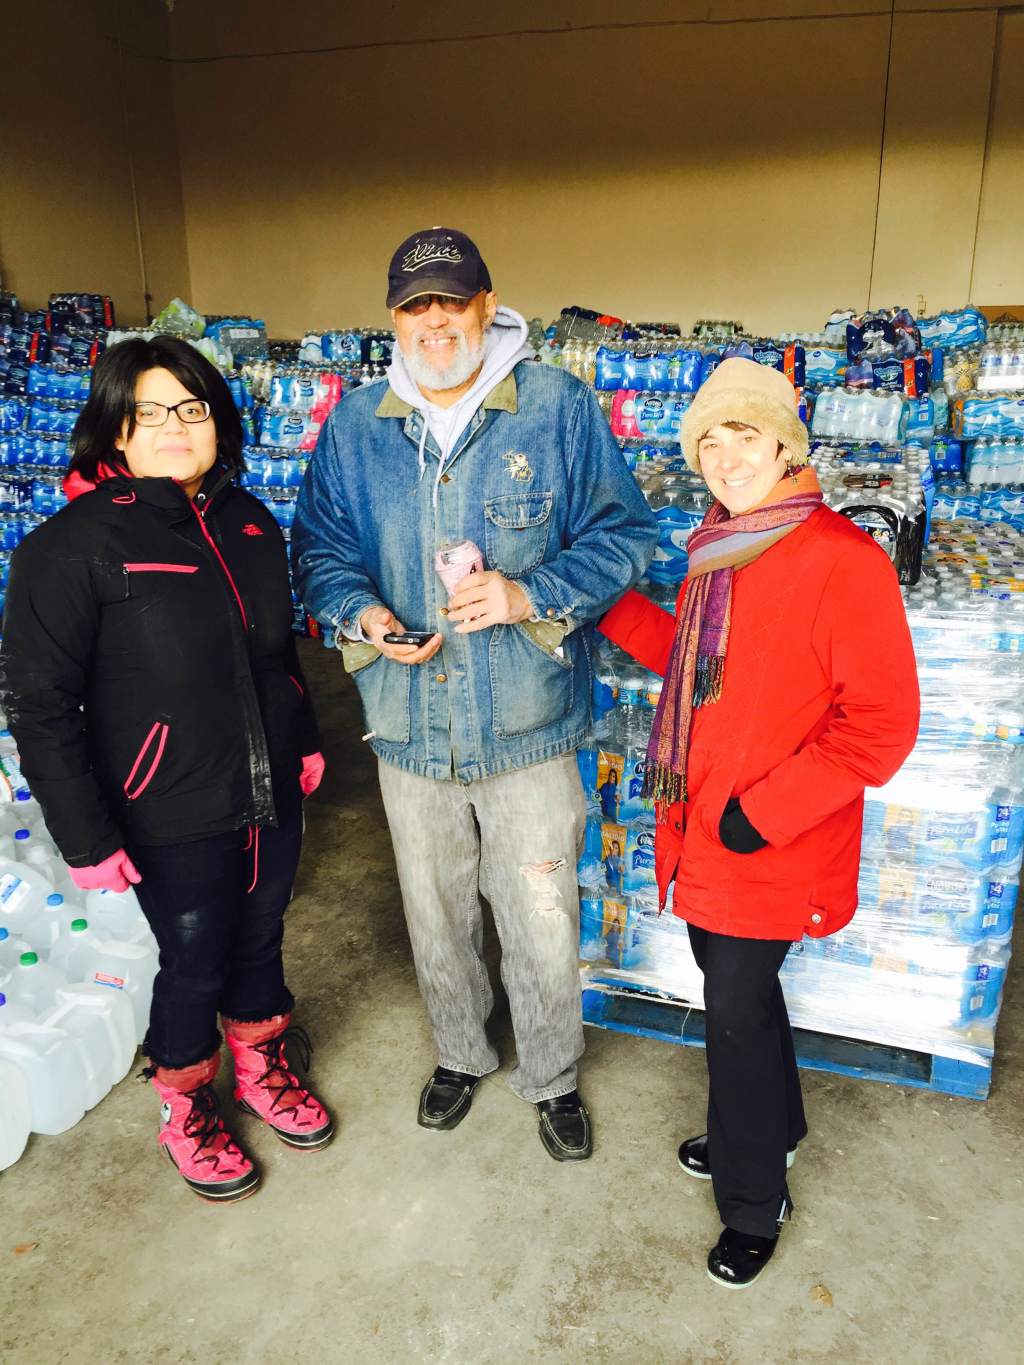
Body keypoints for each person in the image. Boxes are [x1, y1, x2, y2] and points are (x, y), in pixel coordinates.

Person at [293, 226, 657, 1161]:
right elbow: (321, 549)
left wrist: (529, 593)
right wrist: (364, 615)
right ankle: (460, 1052)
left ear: (488, 306)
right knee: (434, 905)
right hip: (410, 724)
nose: (435, 322)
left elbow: (626, 538)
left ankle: (553, 1073)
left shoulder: (555, 408)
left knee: (539, 912)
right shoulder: (357, 424)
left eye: (452, 301)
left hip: (526, 721)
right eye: (416, 306)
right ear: (394, 320)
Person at [599, 358, 919, 1286]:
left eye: (745, 434)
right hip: (705, 832)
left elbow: (882, 726)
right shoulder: (723, 547)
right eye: (709, 438)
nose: (725, 454)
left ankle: (752, 1201)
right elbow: (705, 674)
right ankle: (774, 1131)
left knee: (734, 1016)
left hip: (768, 842)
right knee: (739, 995)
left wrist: (760, 814)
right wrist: (614, 611)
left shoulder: (839, 559)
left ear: (786, 444)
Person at [0, 337, 332, 1203]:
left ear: (218, 420)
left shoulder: (248, 521)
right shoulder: (69, 548)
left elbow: (276, 656)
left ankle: (262, 1064)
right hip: (167, 804)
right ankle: (186, 1102)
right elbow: (39, 706)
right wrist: (85, 836)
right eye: (150, 411)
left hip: (268, 789)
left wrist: (301, 738)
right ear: (114, 429)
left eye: (192, 408)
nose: (177, 428)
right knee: (192, 960)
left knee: (262, 934)